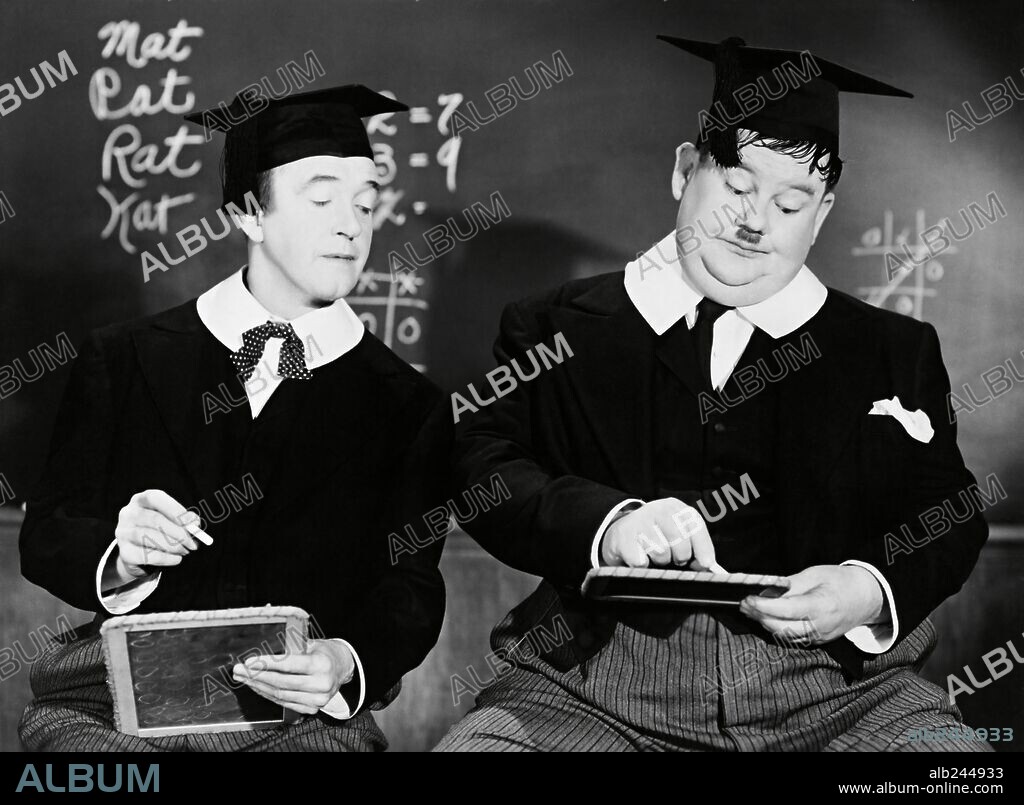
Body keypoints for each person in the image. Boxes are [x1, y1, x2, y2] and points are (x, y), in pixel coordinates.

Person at [436, 37, 990, 752]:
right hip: (590, 686)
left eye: (791, 204)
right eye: (735, 188)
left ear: (822, 213)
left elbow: (950, 512)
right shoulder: (555, 325)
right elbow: (483, 466)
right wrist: (609, 524)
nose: (756, 222)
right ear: (683, 171)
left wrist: (865, 588)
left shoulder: (891, 348)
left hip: (844, 692)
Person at [19, 84, 450, 752]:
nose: (351, 224)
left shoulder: (408, 404)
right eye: (321, 198)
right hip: (111, 698)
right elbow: (47, 531)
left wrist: (344, 657)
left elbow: (411, 584)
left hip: (296, 714)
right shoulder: (125, 356)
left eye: (366, 202)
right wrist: (123, 554)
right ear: (249, 212)